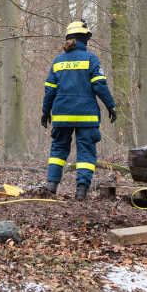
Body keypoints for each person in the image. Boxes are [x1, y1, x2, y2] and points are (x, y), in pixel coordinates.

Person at [41, 20, 116, 200]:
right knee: (86, 152)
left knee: (58, 151)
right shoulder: (91, 59)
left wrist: (45, 111)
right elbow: (99, 86)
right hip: (86, 117)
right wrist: (110, 105)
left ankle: (51, 186)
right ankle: (81, 191)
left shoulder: (58, 61)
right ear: (85, 39)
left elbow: (49, 90)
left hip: (61, 115)